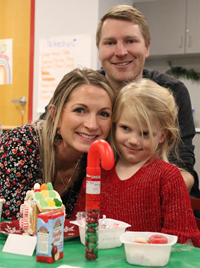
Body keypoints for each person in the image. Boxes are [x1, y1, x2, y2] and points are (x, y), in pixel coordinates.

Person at [40, 5, 199, 197]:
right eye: (110, 42)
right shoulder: (84, 88)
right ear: (99, 50)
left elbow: (184, 166)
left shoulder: (170, 92)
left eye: (130, 41)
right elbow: (46, 133)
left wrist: (137, 194)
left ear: (147, 47)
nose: (121, 51)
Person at [72, 79, 200, 247]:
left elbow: (184, 240)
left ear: (162, 136)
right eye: (125, 128)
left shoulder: (168, 177)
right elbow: (78, 225)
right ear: (114, 125)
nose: (133, 140)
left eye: (145, 133)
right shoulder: (97, 175)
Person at [0, 67, 115, 221]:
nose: (92, 125)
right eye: (80, 110)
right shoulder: (20, 143)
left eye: (103, 114)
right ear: (55, 114)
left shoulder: (105, 161)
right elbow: (12, 220)